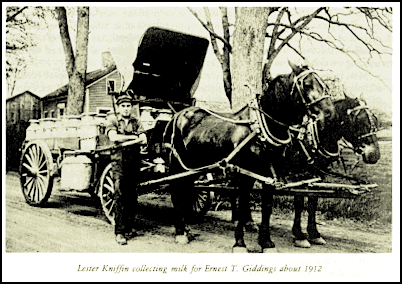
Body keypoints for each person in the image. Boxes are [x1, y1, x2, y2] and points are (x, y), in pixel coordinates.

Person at [105, 93, 147, 245]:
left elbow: (144, 139)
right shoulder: (113, 120)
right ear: (118, 107)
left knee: (132, 196)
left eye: (128, 106)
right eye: (123, 106)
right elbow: (114, 138)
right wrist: (133, 138)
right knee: (120, 195)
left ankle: (129, 228)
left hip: (134, 161)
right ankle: (120, 232)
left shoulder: (136, 121)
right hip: (119, 161)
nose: (126, 109)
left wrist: (132, 138)